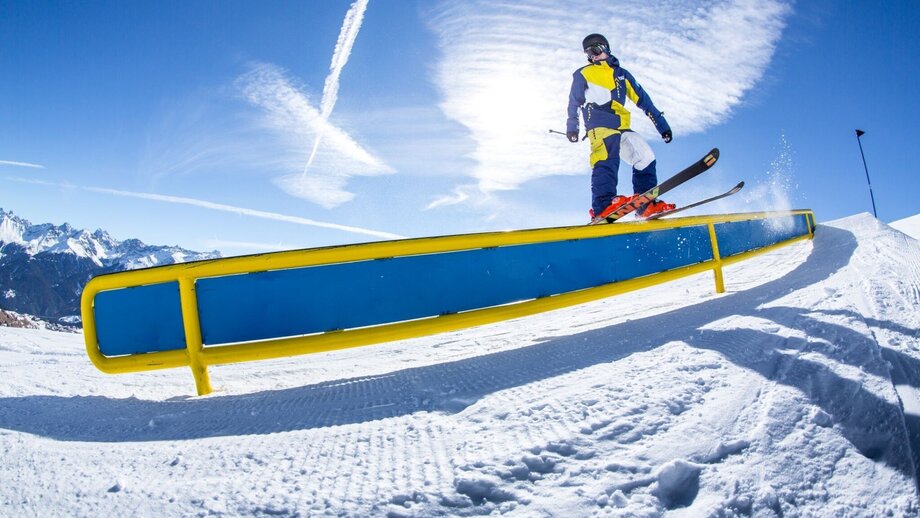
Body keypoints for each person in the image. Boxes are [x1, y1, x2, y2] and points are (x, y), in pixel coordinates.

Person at [566, 33, 674, 220]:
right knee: (607, 158)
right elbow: (574, 101)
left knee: (645, 155)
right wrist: (572, 126)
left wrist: (662, 126)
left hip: (621, 126)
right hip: (599, 124)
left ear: (605, 48)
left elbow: (644, 101)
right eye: (588, 53)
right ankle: (602, 205)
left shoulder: (622, 75)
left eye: (595, 50)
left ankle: (646, 205)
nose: (592, 56)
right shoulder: (583, 73)